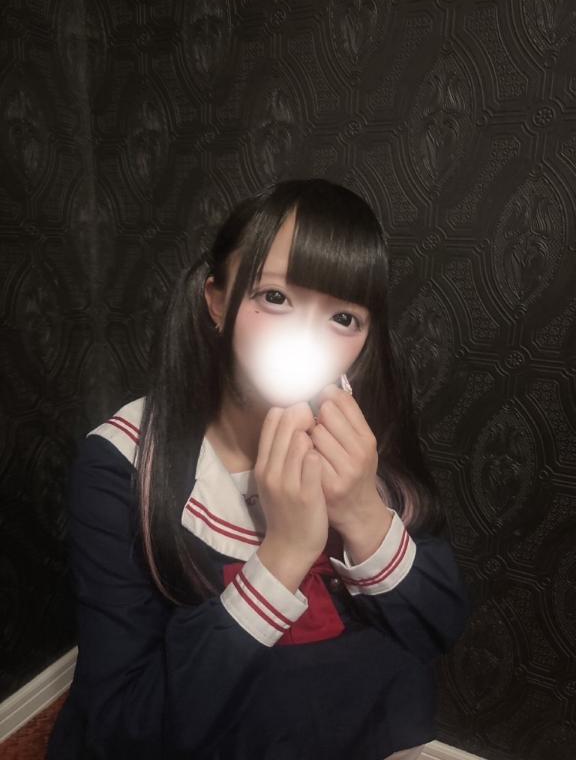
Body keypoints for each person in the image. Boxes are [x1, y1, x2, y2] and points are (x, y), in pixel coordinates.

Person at [47, 178, 470, 760]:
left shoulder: (359, 443)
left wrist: (361, 512)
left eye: (343, 318)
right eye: (275, 297)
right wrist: (284, 553)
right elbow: (123, 727)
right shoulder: (125, 465)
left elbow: (438, 624)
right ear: (217, 301)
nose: (305, 337)